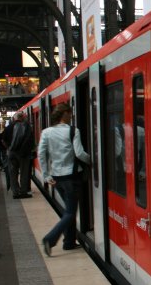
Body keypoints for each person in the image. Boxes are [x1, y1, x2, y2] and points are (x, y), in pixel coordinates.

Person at [38, 103, 90, 256]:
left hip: (56, 178)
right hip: (72, 177)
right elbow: (80, 153)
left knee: (69, 209)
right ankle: (50, 238)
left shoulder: (46, 132)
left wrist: (46, 175)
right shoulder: (74, 131)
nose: (72, 116)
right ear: (65, 114)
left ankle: (68, 242)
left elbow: (41, 155)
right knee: (70, 212)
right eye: (70, 113)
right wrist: (92, 160)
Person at [7, 111, 34, 199]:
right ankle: (23, 192)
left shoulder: (9, 127)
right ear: (22, 118)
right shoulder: (26, 126)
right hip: (23, 154)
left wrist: (9, 148)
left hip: (11, 153)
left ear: (15, 118)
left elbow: (2, 139)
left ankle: (15, 192)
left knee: (12, 173)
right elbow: (29, 140)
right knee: (24, 172)